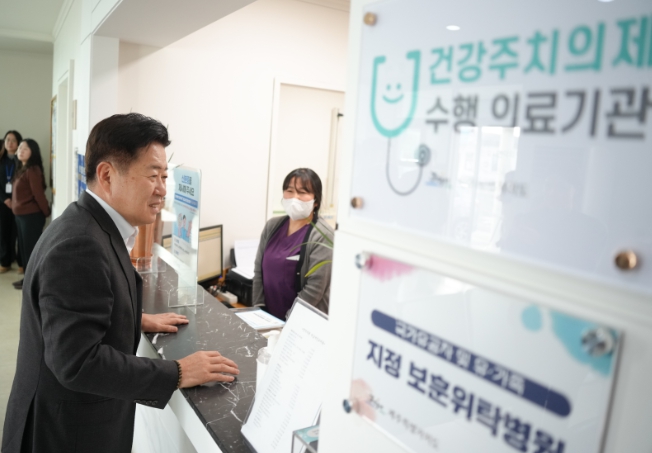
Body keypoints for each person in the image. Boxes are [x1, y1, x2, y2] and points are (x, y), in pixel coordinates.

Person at [2, 113, 239, 453]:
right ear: (107, 175)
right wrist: (177, 372)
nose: (162, 190)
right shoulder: (79, 245)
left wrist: (129, 316)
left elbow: (73, 311)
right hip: (64, 435)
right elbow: (78, 362)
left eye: (165, 177)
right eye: (153, 176)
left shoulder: (89, 224)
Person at [253, 168, 333, 319]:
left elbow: (315, 289)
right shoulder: (272, 226)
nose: (294, 197)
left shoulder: (323, 235)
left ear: (316, 201)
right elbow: (258, 272)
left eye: (302, 192)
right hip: (267, 320)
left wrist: (287, 324)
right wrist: (258, 312)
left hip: (300, 323)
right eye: (289, 191)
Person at [10, 139, 50, 290]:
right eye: (20, 147)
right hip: (21, 217)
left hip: (31, 217)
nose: (21, 150)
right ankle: (27, 279)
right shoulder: (22, 168)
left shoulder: (32, 170)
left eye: (25, 148)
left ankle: (33, 283)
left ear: (33, 152)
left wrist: (46, 212)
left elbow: (38, 195)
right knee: (24, 251)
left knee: (31, 251)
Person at [0, 130, 23, 273]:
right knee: (3, 232)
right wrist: (5, 199)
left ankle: (21, 262)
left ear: (18, 143)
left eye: (13, 140)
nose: (10, 143)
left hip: (19, 202)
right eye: (7, 140)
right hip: (2, 202)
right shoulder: (1, 160)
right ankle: (5, 261)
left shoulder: (20, 160)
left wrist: (14, 200)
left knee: (18, 233)